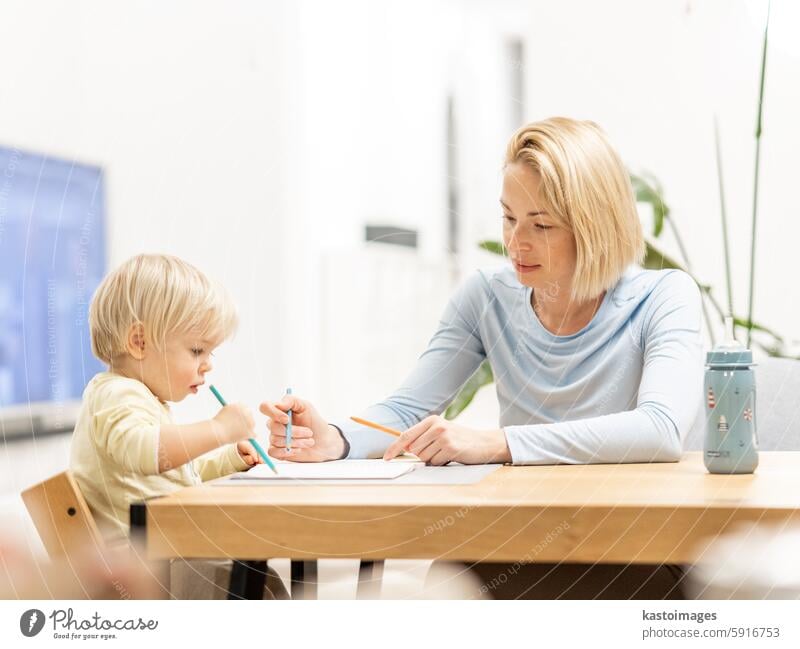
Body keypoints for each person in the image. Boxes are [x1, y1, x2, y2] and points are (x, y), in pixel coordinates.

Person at [260, 117, 704, 598]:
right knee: (441, 589)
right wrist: (334, 439)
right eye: (509, 218)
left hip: (632, 546)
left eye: (541, 225)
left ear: (594, 226)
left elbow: (659, 429)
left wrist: (497, 444)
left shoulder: (663, 296)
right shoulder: (486, 296)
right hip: (513, 538)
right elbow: (408, 409)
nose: (516, 244)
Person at [70, 253, 287, 599]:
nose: (207, 366)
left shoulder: (141, 398)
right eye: (197, 350)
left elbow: (173, 471)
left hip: (163, 552)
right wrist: (218, 429)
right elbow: (145, 453)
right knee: (255, 581)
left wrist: (229, 458)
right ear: (139, 342)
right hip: (144, 568)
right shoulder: (115, 395)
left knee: (260, 578)